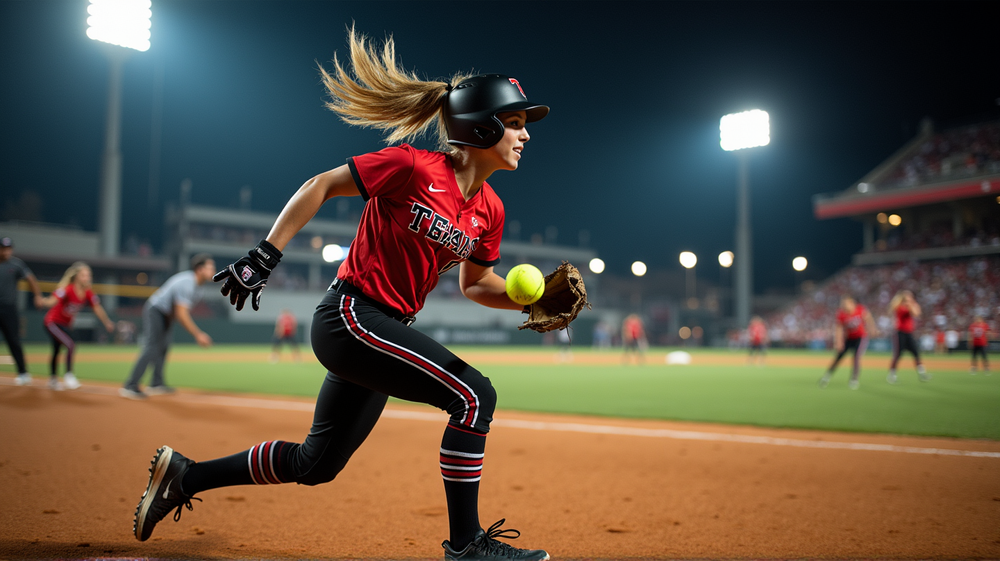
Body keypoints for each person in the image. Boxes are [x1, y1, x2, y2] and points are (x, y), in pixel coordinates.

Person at [131, 29, 551, 561]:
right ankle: (466, 546)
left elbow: (477, 284)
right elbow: (321, 184)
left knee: (316, 463)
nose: (525, 135)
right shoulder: (413, 167)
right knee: (473, 396)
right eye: (514, 123)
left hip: (384, 329)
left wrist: (535, 303)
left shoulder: (490, 210)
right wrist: (266, 255)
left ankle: (186, 477)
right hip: (350, 315)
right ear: (482, 125)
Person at [120, 254, 215, 399]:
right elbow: (182, 314)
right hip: (156, 310)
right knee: (152, 347)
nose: (213, 270)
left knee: (164, 346)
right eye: (210, 267)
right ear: (199, 269)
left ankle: (156, 383)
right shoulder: (188, 283)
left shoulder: (199, 288)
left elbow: (178, 312)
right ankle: (130, 385)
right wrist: (198, 334)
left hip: (167, 315)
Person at [39, 262, 115, 390]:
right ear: (77, 276)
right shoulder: (67, 289)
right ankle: (69, 376)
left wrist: (107, 322)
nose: (87, 278)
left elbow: (97, 308)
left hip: (64, 325)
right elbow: (53, 300)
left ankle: (53, 379)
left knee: (57, 349)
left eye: (88, 275)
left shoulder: (88, 292)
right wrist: (43, 301)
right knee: (70, 344)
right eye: (84, 275)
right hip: (52, 322)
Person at [0, 237, 44, 385]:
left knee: (14, 340)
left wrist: (37, 295)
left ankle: (23, 372)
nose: (6, 251)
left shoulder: (16, 264)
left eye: (8, 248)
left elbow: (30, 278)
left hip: (8, 308)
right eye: (3, 248)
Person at [819, 296, 876, 390]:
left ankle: (854, 379)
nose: (843, 306)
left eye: (845, 304)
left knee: (856, 357)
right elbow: (839, 329)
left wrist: (872, 329)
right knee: (839, 357)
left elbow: (868, 319)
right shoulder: (841, 314)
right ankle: (827, 376)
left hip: (861, 337)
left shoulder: (860, 310)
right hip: (849, 338)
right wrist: (838, 342)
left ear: (851, 303)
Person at [887, 290, 930, 384]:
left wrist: (912, 303)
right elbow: (915, 313)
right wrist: (912, 303)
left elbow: (917, 313)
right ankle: (892, 375)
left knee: (916, 353)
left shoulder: (907, 306)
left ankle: (922, 373)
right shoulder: (901, 308)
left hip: (908, 333)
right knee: (898, 355)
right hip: (900, 333)